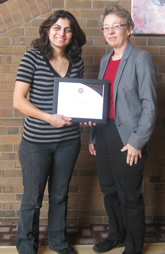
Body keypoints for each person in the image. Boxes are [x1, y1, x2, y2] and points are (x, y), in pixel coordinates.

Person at [13, 10, 86, 254]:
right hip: (36, 143)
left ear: (72, 34)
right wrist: (48, 118)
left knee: (59, 196)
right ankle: (26, 245)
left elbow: (79, 100)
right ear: (47, 30)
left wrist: (87, 116)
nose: (61, 33)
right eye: (56, 27)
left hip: (68, 142)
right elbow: (18, 100)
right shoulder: (32, 58)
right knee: (32, 200)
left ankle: (58, 242)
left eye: (67, 29)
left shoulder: (77, 62)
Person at [89, 5, 157, 254]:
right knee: (109, 190)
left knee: (130, 195)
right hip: (104, 134)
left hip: (128, 138)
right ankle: (116, 235)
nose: (110, 31)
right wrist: (94, 136)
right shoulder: (105, 60)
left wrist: (138, 141)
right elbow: (102, 102)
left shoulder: (141, 58)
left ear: (129, 29)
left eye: (116, 26)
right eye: (106, 27)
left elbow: (149, 105)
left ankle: (134, 245)